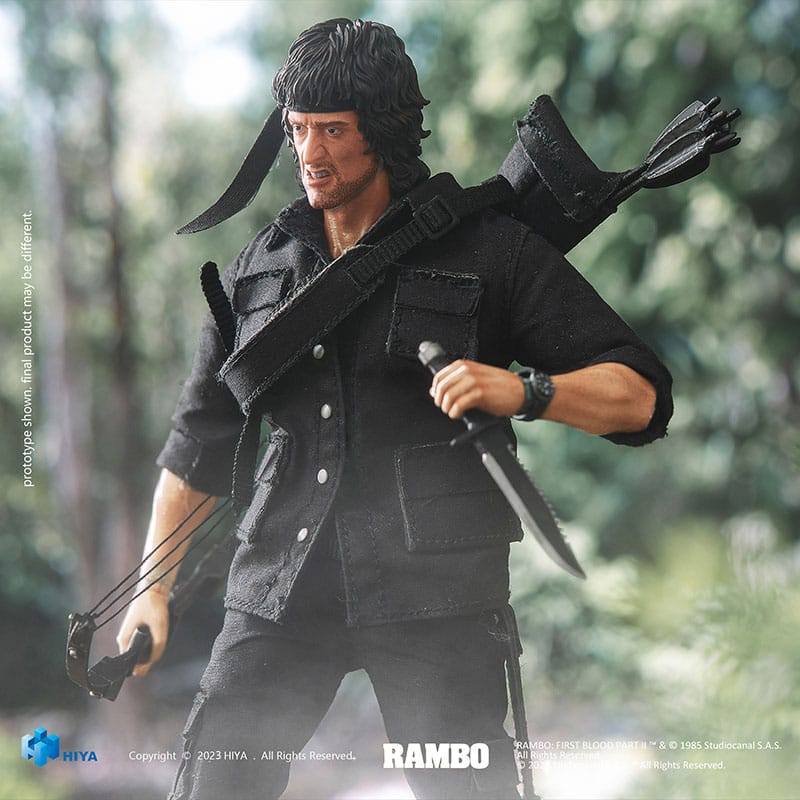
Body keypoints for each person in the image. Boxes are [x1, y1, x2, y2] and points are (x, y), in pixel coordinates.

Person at [116, 18, 672, 800]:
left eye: (333, 130)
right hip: (282, 583)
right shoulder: (260, 268)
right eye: (298, 129)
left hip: (433, 590)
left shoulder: (488, 250)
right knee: (214, 780)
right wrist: (151, 590)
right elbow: (199, 439)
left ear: (381, 131)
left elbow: (640, 395)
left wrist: (526, 390)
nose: (310, 153)